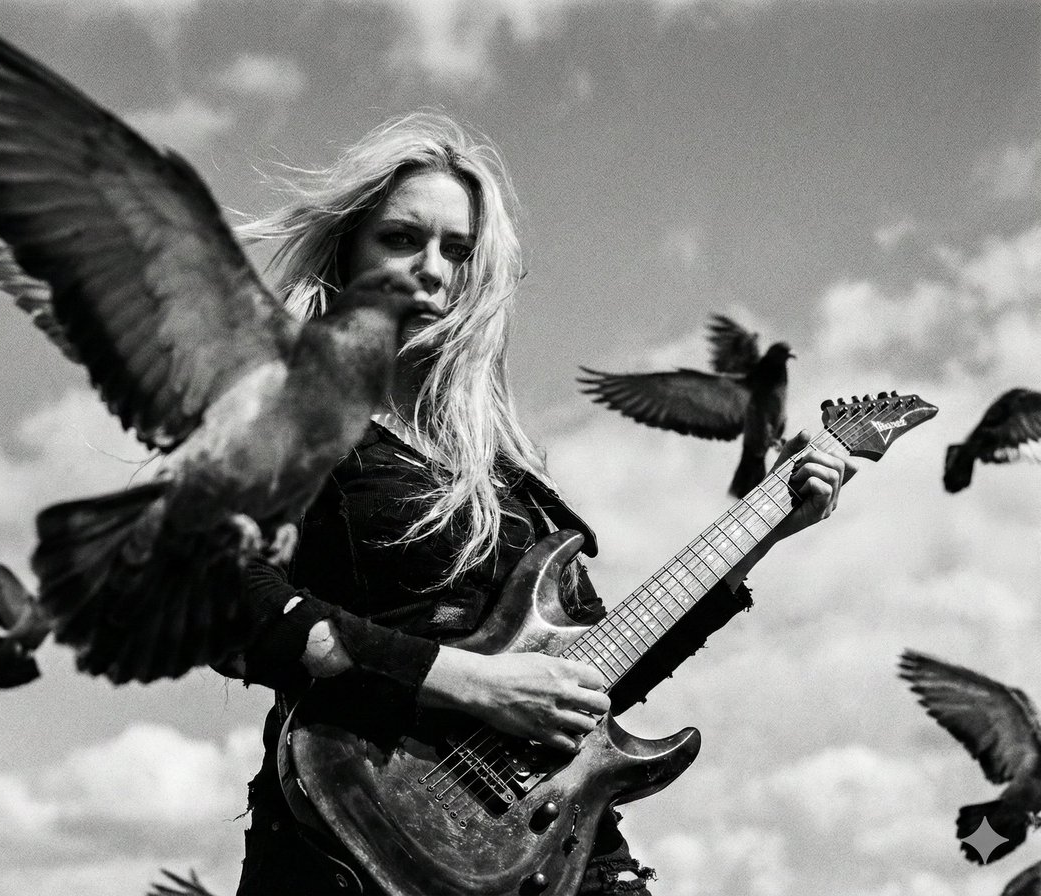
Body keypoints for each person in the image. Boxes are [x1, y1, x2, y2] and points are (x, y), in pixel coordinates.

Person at [213, 112, 853, 895]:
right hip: (358, 842)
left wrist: (766, 529)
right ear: (347, 252)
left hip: (564, 851)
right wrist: (473, 683)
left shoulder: (508, 473)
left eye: (458, 250)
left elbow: (594, 677)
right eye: (401, 239)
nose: (432, 271)